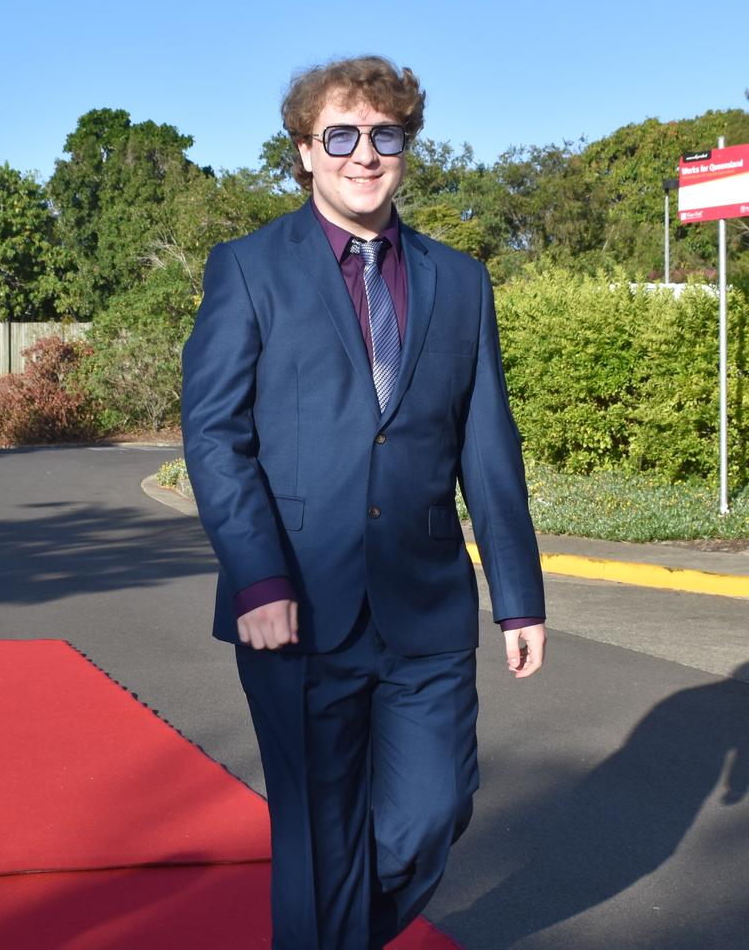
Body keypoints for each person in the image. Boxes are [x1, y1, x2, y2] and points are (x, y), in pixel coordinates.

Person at [181, 55, 546, 950]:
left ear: (407, 148)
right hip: (296, 609)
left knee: (432, 812)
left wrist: (519, 594)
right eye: (339, 135)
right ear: (305, 151)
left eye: (385, 135)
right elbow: (215, 438)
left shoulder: (459, 280)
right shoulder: (249, 268)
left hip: (425, 607)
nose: (363, 154)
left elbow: (486, 443)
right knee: (318, 840)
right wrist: (259, 580)